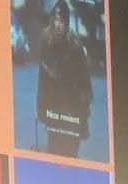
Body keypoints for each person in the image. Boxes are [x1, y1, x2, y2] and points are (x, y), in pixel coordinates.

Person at [35, 0, 93, 157]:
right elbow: (43, 81)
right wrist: (41, 108)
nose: (58, 24)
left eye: (62, 20)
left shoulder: (76, 48)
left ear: (67, 22)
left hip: (72, 111)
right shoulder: (47, 45)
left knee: (70, 156)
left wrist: (84, 109)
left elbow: (85, 83)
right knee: (54, 154)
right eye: (56, 19)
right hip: (54, 111)